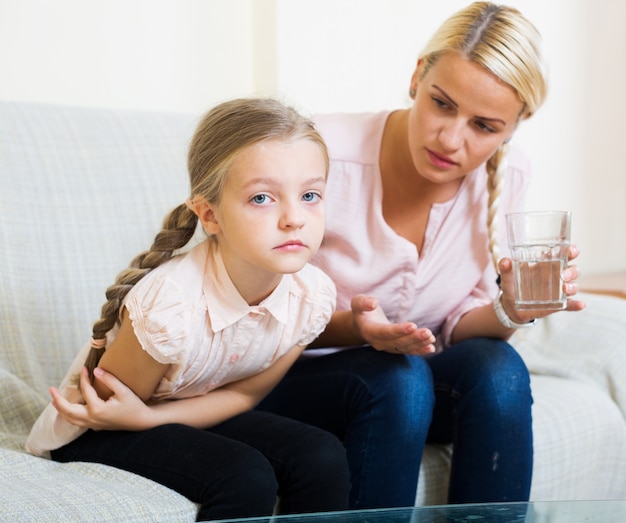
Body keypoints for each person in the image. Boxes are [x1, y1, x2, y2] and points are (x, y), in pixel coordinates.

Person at [45, 1, 586, 511]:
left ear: (514, 127)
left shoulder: (508, 177)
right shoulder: (314, 157)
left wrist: (512, 310)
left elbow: (457, 327)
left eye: (485, 126)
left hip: (397, 374)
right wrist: (359, 331)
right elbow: (251, 310)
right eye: (442, 103)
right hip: (306, 375)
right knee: (397, 376)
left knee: (499, 367)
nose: (451, 138)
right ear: (417, 76)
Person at [25, 97, 351, 521]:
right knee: (245, 475)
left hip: (176, 409)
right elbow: (110, 406)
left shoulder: (312, 296)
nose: (294, 218)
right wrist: (140, 420)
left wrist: (148, 420)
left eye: (310, 195)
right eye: (262, 199)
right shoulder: (170, 305)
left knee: (321, 455)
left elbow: (243, 393)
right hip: (99, 423)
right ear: (210, 215)